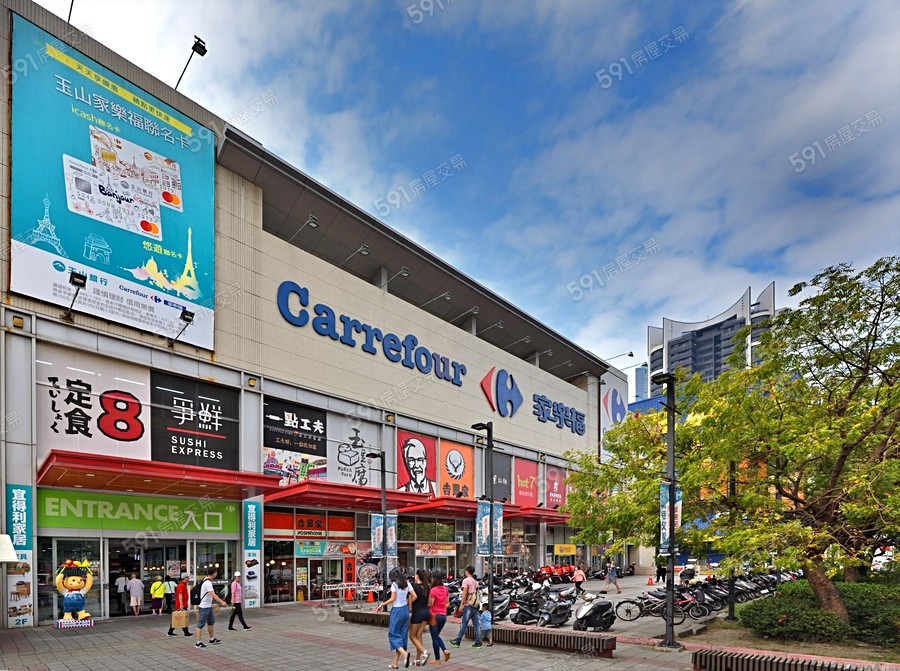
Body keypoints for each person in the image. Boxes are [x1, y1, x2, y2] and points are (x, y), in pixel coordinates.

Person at [376, 567, 415, 668]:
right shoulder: (407, 584)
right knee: (402, 635)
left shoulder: (394, 584)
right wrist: (408, 604)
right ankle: (395, 663)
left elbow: (392, 599)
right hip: (405, 610)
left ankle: (405, 654)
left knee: (393, 635)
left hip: (397, 611)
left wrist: (382, 604)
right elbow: (414, 596)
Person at [449, 565, 482, 650]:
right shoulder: (475, 581)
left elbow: (465, 593)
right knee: (476, 624)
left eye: (465, 571)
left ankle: (457, 641)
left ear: (467, 572)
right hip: (475, 605)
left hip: (469, 605)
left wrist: (461, 604)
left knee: (464, 623)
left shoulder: (466, 580)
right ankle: (478, 642)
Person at [195, 567, 228, 649]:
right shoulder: (208, 583)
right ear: (214, 573)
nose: (217, 573)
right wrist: (222, 602)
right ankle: (198, 642)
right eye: (216, 572)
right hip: (204, 606)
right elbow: (213, 595)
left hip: (208, 606)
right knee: (200, 624)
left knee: (211, 622)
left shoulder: (206, 580)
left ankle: (212, 639)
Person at [427, 572, 450, 665]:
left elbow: (430, 604)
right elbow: (447, 602)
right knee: (436, 635)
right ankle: (445, 650)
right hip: (443, 616)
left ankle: (437, 659)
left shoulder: (433, 590)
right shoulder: (445, 589)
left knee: (434, 637)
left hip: (434, 616)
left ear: (434, 579)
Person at [409, 569, 430, 666]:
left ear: (417, 576)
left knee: (412, 636)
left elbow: (411, 600)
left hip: (417, 613)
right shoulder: (427, 587)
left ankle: (424, 652)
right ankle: (417, 659)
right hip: (426, 613)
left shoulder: (414, 587)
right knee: (418, 635)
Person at [167, 573, 193, 637]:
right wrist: (181, 604)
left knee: (180, 617)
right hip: (181, 604)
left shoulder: (183, 585)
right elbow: (180, 595)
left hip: (183, 604)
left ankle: (171, 631)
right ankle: (186, 632)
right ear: (185, 578)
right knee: (181, 617)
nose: (189, 579)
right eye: (188, 577)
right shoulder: (181, 585)